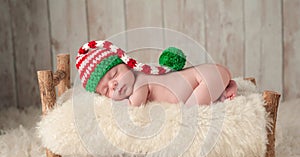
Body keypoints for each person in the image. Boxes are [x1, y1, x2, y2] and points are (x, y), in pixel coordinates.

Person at [76, 40, 237, 107]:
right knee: (207, 98)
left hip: (204, 77)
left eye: (114, 75)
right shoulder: (136, 79)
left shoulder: (140, 80)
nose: (113, 84)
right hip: (211, 74)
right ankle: (227, 87)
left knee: (191, 110)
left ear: (126, 65)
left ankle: (223, 85)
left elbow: (134, 105)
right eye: (106, 90)